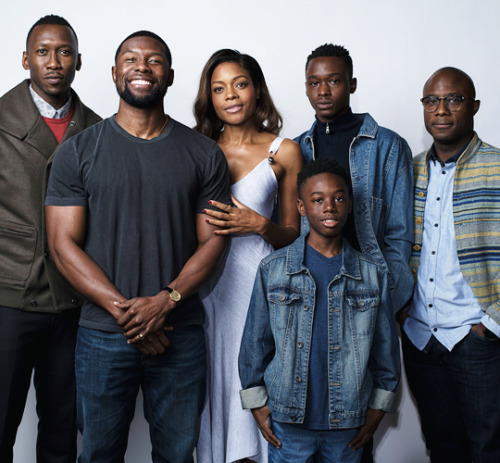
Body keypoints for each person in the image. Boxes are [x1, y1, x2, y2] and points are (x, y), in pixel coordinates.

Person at [45, 31, 231, 463]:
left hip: (179, 334)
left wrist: (165, 303)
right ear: (114, 73)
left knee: (177, 455)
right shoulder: (78, 152)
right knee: (97, 455)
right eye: (131, 59)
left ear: (168, 75)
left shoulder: (203, 154)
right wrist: (129, 314)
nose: (142, 68)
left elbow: (213, 244)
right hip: (103, 336)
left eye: (154, 60)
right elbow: (62, 244)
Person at [238, 159, 400, 463]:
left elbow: (385, 348)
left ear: (350, 205)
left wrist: (378, 410)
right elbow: (254, 343)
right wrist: (256, 403)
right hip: (288, 421)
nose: (329, 207)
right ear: (301, 207)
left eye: (338, 198)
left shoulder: (371, 273)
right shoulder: (273, 269)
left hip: (348, 424)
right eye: (318, 199)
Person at [193, 49, 302, 463]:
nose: (231, 95)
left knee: (252, 376)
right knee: (210, 381)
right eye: (219, 88)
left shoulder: (284, 151)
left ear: (256, 89)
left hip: (257, 287)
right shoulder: (197, 146)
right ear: (210, 98)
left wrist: (257, 224)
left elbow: (292, 236)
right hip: (204, 287)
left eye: (240, 84)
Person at [0, 14, 101, 462]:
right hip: (9, 299)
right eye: (43, 52)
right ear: (25, 59)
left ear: (79, 60)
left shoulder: (100, 130)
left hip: (73, 303)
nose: (54, 61)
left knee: (62, 430)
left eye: (64, 52)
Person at [402, 67, 500, 463]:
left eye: (453, 99)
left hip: (477, 340)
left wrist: (490, 324)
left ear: (474, 106)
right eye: (431, 101)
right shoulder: (408, 170)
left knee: (488, 450)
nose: (440, 110)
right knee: (443, 449)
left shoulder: (496, 167)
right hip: (421, 338)